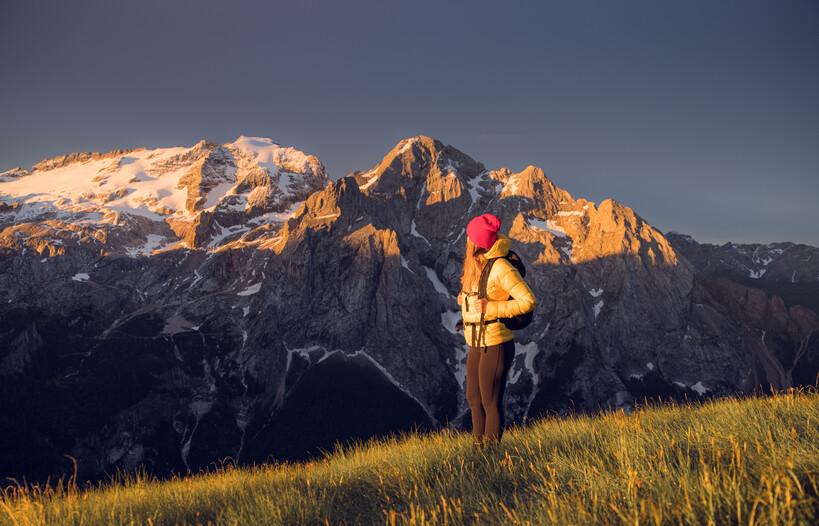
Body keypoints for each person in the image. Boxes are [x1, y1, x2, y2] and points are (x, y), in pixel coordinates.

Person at [457, 213, 536, 445]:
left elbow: (527, 301)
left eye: (470, 237)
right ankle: (478, 452)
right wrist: (465, 300)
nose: (467, 241)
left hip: (496, 343)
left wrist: (492, 308)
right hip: (477, 342)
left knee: (490, 402)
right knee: (473, 398)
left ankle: (490, 458)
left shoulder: (501, 266)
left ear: (477, 241)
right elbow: (483, 296)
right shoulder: (477, 265)